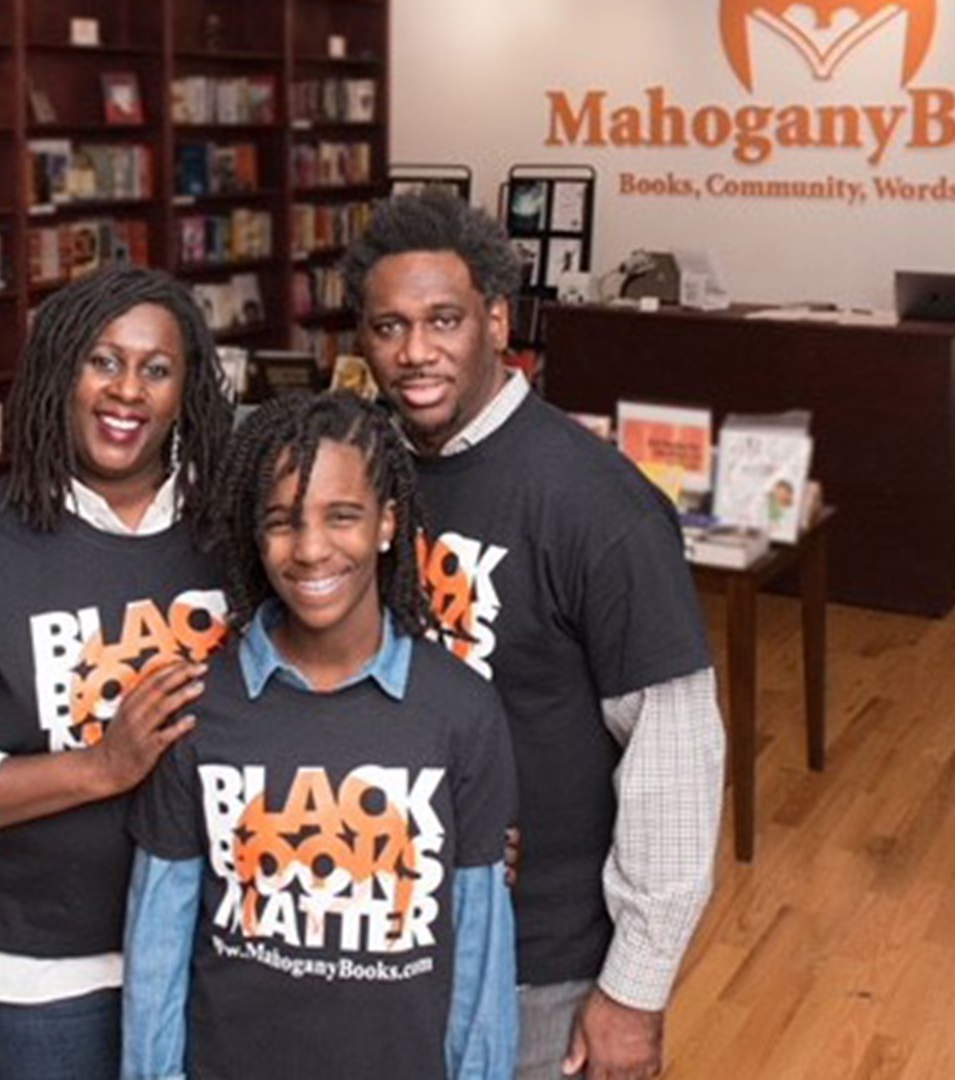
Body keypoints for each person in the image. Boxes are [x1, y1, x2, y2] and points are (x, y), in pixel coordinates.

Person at [342, 189, 727, 1080]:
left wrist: (634, 990)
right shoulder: (368, 477)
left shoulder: (596, 502)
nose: (416, 352)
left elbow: (675, 755)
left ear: (498, 319)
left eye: (444, 320)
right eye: (389, 326)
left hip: (538, 968)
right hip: (388, 938)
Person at [0, 265, 236, 1080]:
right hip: (32, 976)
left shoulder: (235, 535)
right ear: (60, 370)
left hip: (216, 950)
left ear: (187, 392)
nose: (127, 390)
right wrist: (100, 767)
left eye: (156, 369)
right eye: (103, 361)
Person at [123, 391, 519, 1079]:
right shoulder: (200, 706)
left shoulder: (462, 711)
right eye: (281, 522)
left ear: (389, 523)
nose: (310, 550)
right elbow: (159, 938)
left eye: (342, 517)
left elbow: (480, 949)